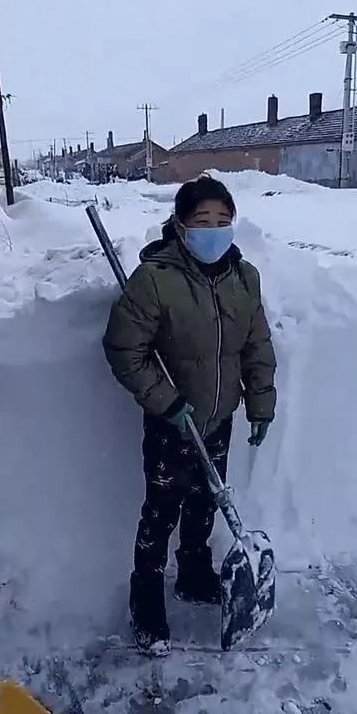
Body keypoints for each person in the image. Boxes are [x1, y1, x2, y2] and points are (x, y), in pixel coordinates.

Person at [103, 174, 277, 656]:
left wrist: (261, 401)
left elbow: (257, 346)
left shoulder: (245, 279)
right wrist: (166, 402)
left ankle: (195, 575)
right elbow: (124, 350)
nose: (215, 230)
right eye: (204, 221)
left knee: (205, 504)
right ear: (181, 227)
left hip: (218, 420)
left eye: (224, 221)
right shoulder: (155, 280)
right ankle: (146, 604)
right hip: (171, 423)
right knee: (159, 515)